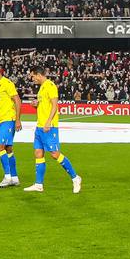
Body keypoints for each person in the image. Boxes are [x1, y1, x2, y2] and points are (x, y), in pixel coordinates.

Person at [23, 65, 82, 194]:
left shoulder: (50, 86)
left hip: (49, 127)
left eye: (32, 76)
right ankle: (39, 184)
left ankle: (75, 178)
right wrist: (36, 105)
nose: (32, 79)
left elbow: (55, 104)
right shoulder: (41, 88)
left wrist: (49, 121)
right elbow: (45, 106)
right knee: (38, 154)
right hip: (40, 126)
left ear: (38, 74)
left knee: (55, 154)